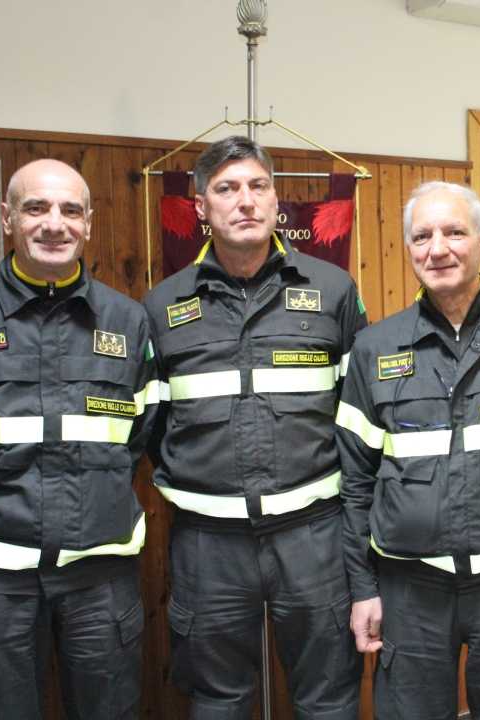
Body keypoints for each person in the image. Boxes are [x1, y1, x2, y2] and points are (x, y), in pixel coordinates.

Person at [0, 159, 158, 719]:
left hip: (99, 571)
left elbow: (139, 437)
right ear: (7, 219)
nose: (55, 224)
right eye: (36, 208)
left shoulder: (128, 324)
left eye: (70, 210)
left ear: (88, 224)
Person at [144, 136, 365, 719]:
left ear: (275, 201)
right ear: (200, 208)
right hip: (208, 542)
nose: (245, 201)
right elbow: (151, 423)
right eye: (226, 189)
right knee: (218, 699)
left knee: (328, 696)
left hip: (313, 536)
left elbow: (358, 412)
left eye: (257, 186)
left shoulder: (333, 291)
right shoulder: (163, 306)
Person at [335, 181, 480, 719]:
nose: (437, 248)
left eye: (454, 232)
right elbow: (353, 484)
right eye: (422, 236)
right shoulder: (375, 348)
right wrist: (362, 589)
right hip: (409, 589)